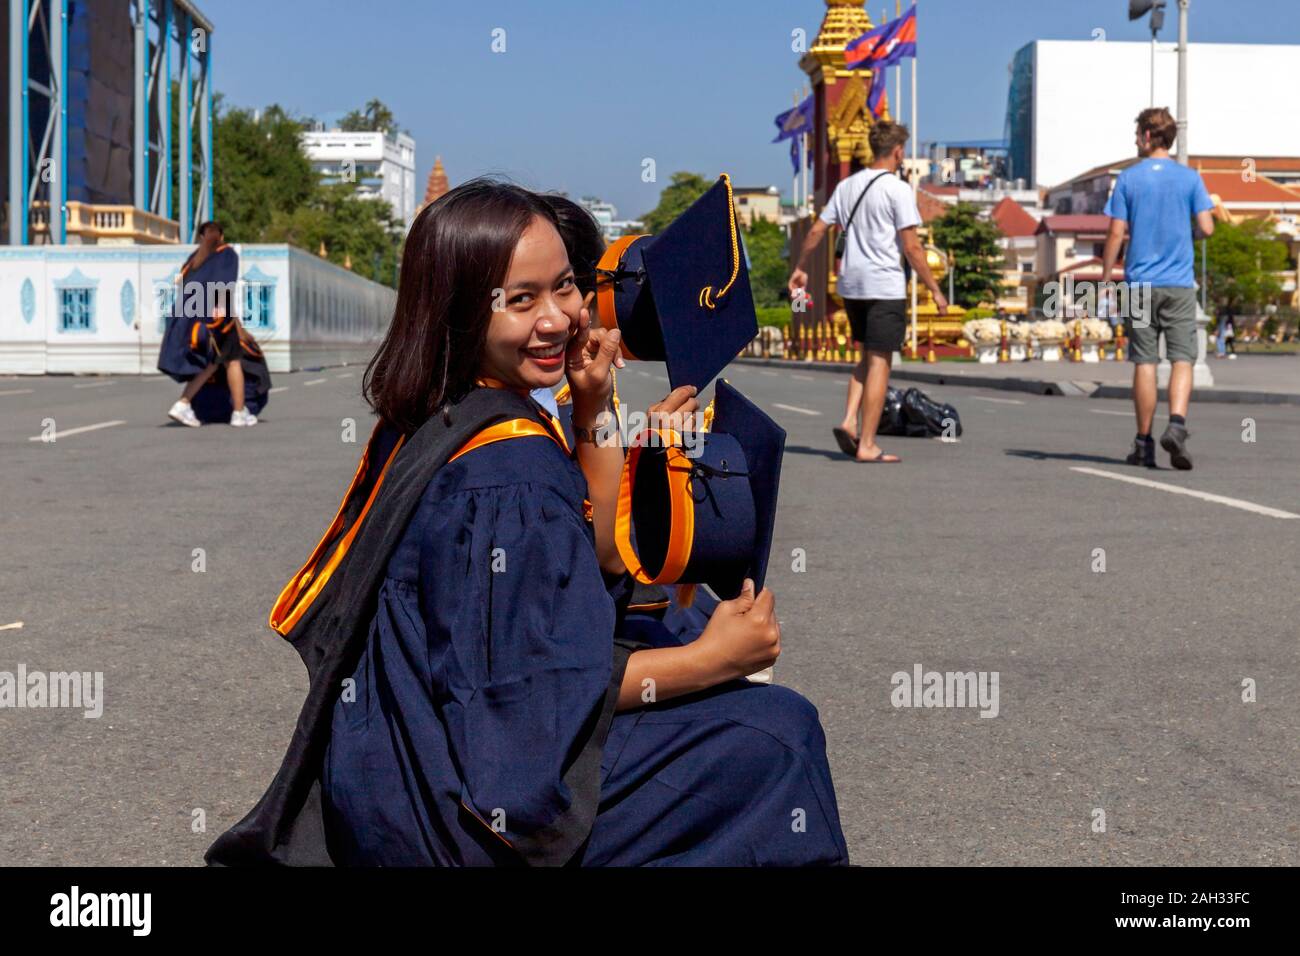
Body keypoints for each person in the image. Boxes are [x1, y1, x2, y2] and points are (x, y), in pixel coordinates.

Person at [204, 179, 849, 867]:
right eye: (520, 300)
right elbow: (530, 694)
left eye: (564, 287)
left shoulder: (444, 409)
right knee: (777, 736)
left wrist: (594, 408)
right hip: (447, 815)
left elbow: (587, 563)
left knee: (677, 630)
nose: (557, 318)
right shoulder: (509, 473)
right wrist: (711, 662)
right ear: (457, 310)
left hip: (388, 760)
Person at [788, 120, 947, 463]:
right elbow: (912, 247)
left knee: (865, 356)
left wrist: (800, 267)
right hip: (884, 284)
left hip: (851, 284)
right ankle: (868, 443)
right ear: (898, 152)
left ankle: (849, 421)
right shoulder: (898, 189)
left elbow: (817, 229)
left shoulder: (846, 186)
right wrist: (935, 289)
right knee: (880, 361)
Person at [1101, 108, 1215, 470]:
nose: (1135, 140)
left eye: (1137, 134)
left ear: (1149, 135)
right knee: (1183, 358)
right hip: (1179, 283)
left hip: (1138, 285)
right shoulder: (1190, 179)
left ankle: (1144, 444)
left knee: (1145, 362)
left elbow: (1116, 233)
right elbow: (1208, 228)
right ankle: (1177, 426)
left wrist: (1106, 278)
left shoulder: (1129, 180)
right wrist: (1186, 233)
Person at [161, 221, 258, 427]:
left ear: (200, 238)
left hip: (189, 318)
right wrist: (229, 318)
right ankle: (239, 413)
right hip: (215, 318)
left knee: (211, 362)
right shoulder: (227, 254)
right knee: (232, 361)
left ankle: (183, 404)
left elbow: (180, 282)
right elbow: (224, 284)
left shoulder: (194, 259)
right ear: (221, 236)